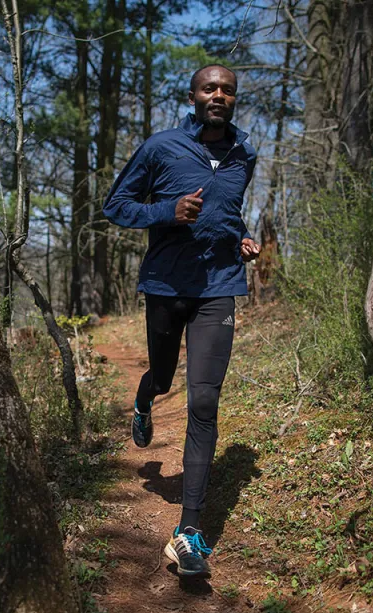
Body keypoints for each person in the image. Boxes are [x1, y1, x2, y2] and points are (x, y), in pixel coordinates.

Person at [103, 64, 260, 578]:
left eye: (227, 90)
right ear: (193, 95)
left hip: (219, 288)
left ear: (235, 99)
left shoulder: (244, 153)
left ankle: (188, 531)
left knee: (204, 399)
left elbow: (228, 207)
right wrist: (168, 211)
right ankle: (145, 399)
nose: (219, 95)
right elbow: (117, 205)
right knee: (166, 377)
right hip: (168, 287)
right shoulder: (161, 147)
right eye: (210, 88)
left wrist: (240, 237)